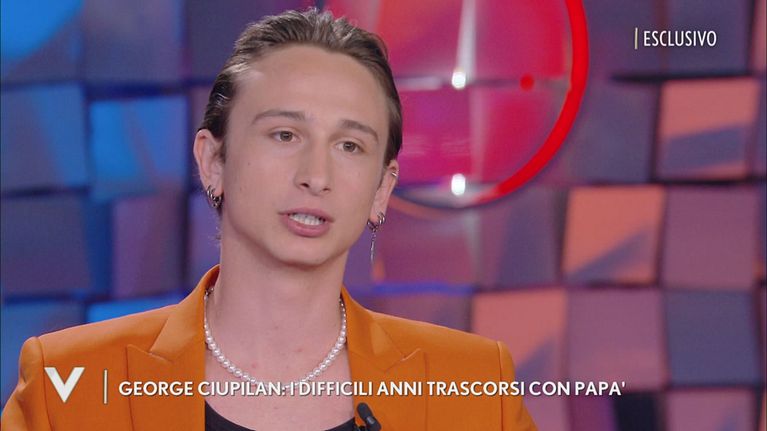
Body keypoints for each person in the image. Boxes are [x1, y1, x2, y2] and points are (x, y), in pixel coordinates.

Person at [2, 8, 536, 431]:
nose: (316, 176)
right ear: (214, 161)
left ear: (381, 189)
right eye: (285, 135)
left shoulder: (472, 386)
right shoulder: (65, 385)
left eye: (350, 145)